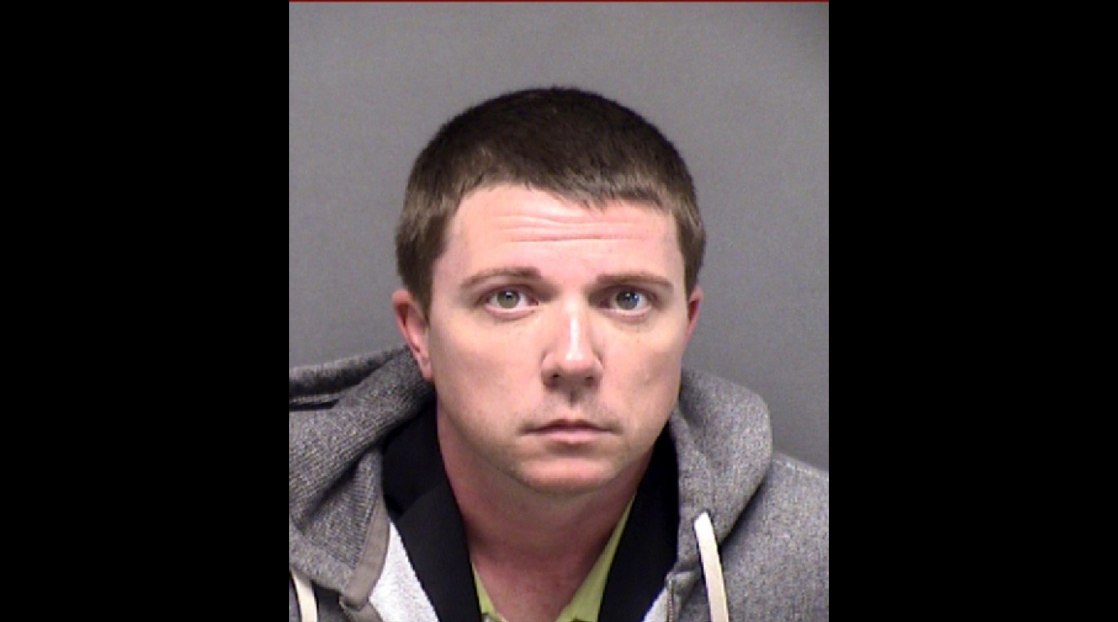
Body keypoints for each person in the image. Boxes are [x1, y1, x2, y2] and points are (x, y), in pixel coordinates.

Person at [289, 87, 828, 622]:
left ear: (686, 326)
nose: (573, 360)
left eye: (627, 300)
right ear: (420, 333)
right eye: (508, 298)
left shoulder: (813, 564)